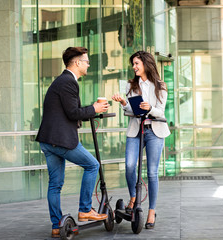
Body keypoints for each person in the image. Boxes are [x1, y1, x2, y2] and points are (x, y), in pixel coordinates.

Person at [36, 47, 110, 238]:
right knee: (93, 165)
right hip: (61, 140)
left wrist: (92, 111)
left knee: (55, 184)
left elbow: (68, 112)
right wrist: (94, 108)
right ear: (76, 63)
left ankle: (56, 226)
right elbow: (73, 113)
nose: (88, 64)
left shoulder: (62, 81)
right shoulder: (69, 82)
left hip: (48, 140)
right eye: (86, 61)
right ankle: (85, 209)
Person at [112, 51, 170, 229]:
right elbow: (130, 111)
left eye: (136, 63)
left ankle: (152, 211)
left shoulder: (160, 85)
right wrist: (123, 103)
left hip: (155, 131)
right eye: (133, 64)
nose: (134, 67)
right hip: (136, 130)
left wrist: (150, 108)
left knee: (152, 173)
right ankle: (133, 198)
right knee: (129, 165)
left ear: (146, 64)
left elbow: (161, 111)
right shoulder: (131, 85)